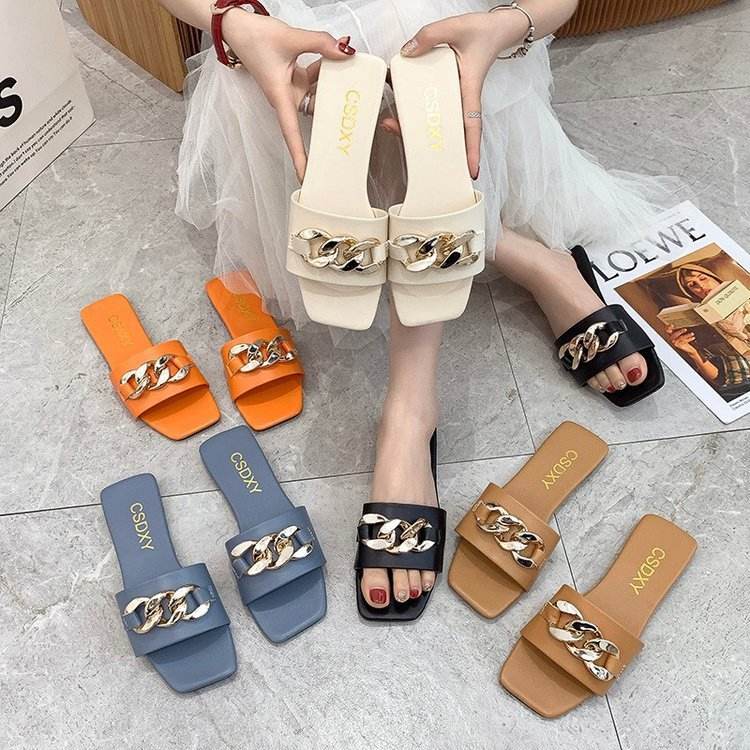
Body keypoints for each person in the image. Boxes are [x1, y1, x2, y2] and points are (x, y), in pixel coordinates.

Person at [157, 0, 678, 610]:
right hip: (287, 37)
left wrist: (510, 24)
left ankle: (410, 406)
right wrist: (236, 25)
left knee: (412, 44)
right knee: (369, 70)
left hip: (451, 36)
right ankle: (519, 252)